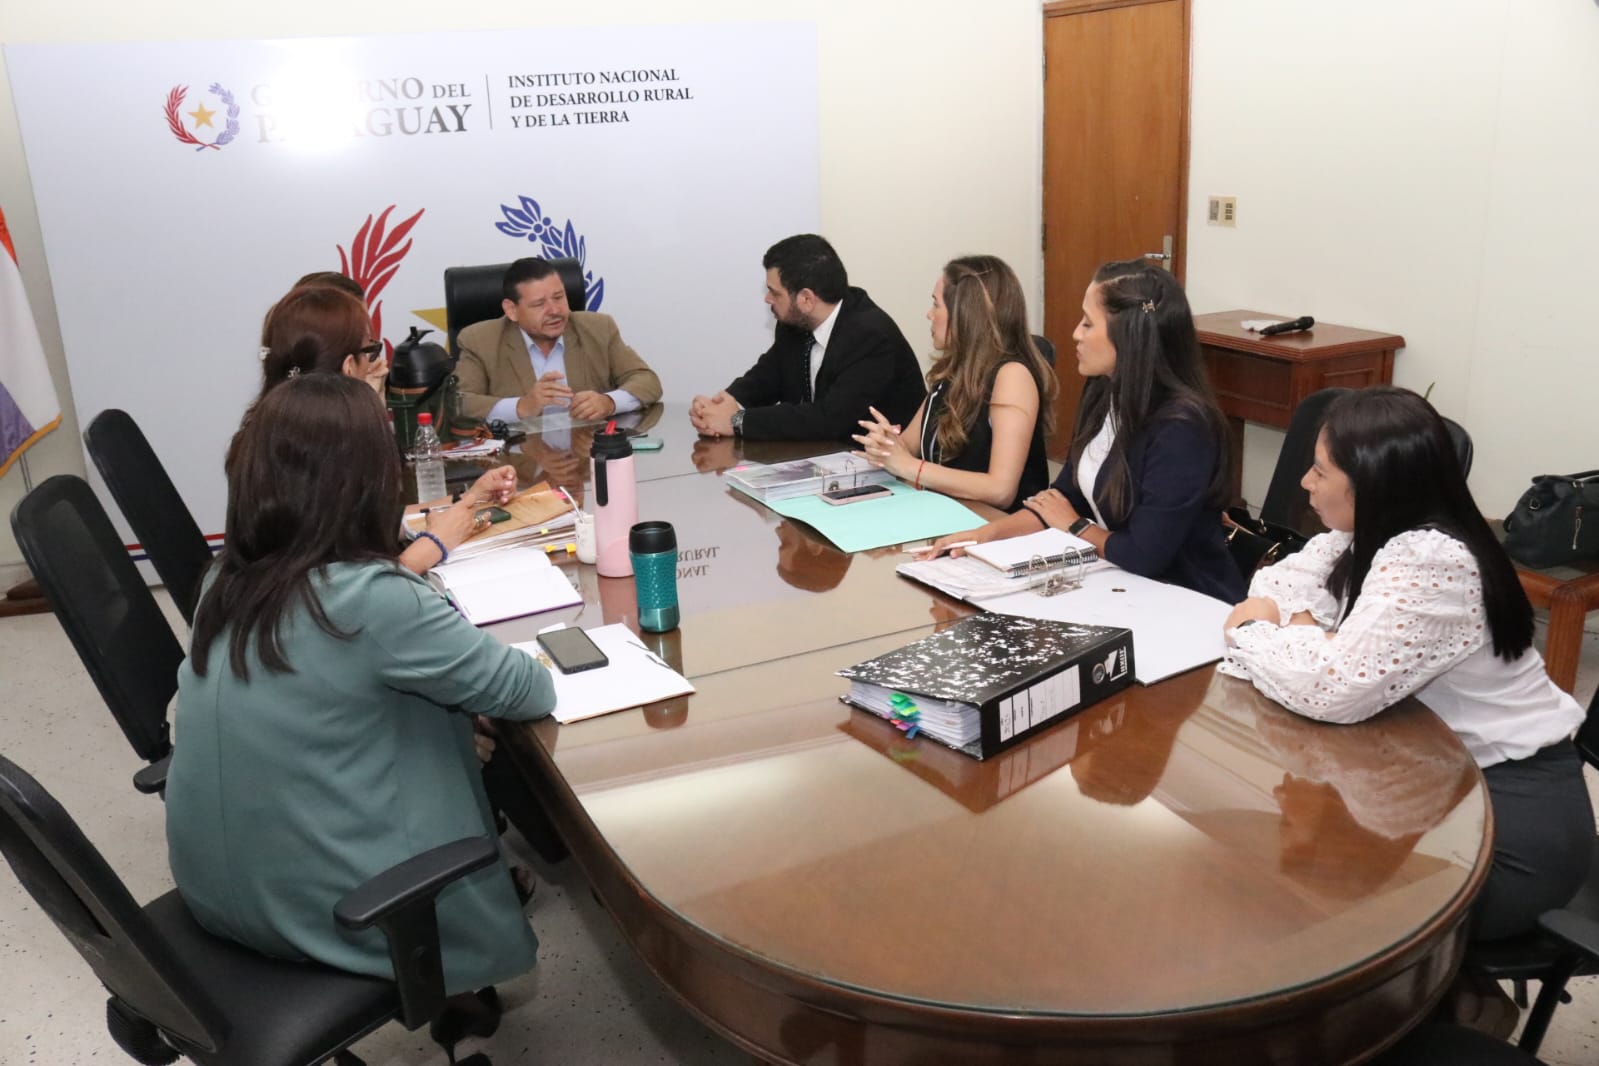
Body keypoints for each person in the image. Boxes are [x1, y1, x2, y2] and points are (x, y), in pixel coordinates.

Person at [165, 373, 556, 998]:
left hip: (216, 893)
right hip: (342, 915)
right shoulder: (371, 599)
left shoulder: (224, 580)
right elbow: (528, 693)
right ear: (366, 485)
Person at [1221, 386, 1590, 943]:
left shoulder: (1431, 559)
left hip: (1506, 812)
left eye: (1320, 472)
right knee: (1298, 887)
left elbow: (1329, 689)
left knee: (1323, 920)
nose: (1305, 483)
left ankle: (1459, 1002)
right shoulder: (1363, 535)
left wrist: (1257, 629)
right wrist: (1298, 628)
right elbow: (1275, 584)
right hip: (1427, 777)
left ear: (1370, 480)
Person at [925, 259, 1243, 601]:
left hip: (1185, 598)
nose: (1076, 333)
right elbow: (1060, 501)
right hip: (1114, 580)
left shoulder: (1182, 429)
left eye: (1088, 324)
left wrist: (1076, 526)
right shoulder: (1104, 390)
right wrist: (986, 535)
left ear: (1129, 337)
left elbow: (1144, 554)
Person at [250, 284, 517, 576]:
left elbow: (366, 524)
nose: (377, 362)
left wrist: (467, 499)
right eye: (371, 350)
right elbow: (351, 588)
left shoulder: (268, 427)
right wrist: (436, 543)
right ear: (350, 366)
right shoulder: (334, 441)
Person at [852, 255, 1052, 510]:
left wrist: (909, 467)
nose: (929, 315)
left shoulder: (1012, 376)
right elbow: (909, 446)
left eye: (936, 305)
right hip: (949, 514)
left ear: (965, 314)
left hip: (998, 529)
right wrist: (885, 444)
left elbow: (1000, 489)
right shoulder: (952, 371)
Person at [690, 234, 925, 441]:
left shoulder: (870, 335)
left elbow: (829, 418)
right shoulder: (795, 324)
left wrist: (737, 421)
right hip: (827, 459)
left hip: (887, 472)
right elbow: (766, 377)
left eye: (774, 293)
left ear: (806, 300)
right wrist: (723, 406)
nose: (767, 300)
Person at [455, 257, 662, 423]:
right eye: (539, 304)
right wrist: (522, 406)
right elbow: (458, 403)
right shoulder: (480, 341)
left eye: (559, 297)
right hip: (520, 465)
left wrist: (609, 402)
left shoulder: (598, 328)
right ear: (512, 310)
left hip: (585, 460)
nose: (554, 310)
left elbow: (647, 381)